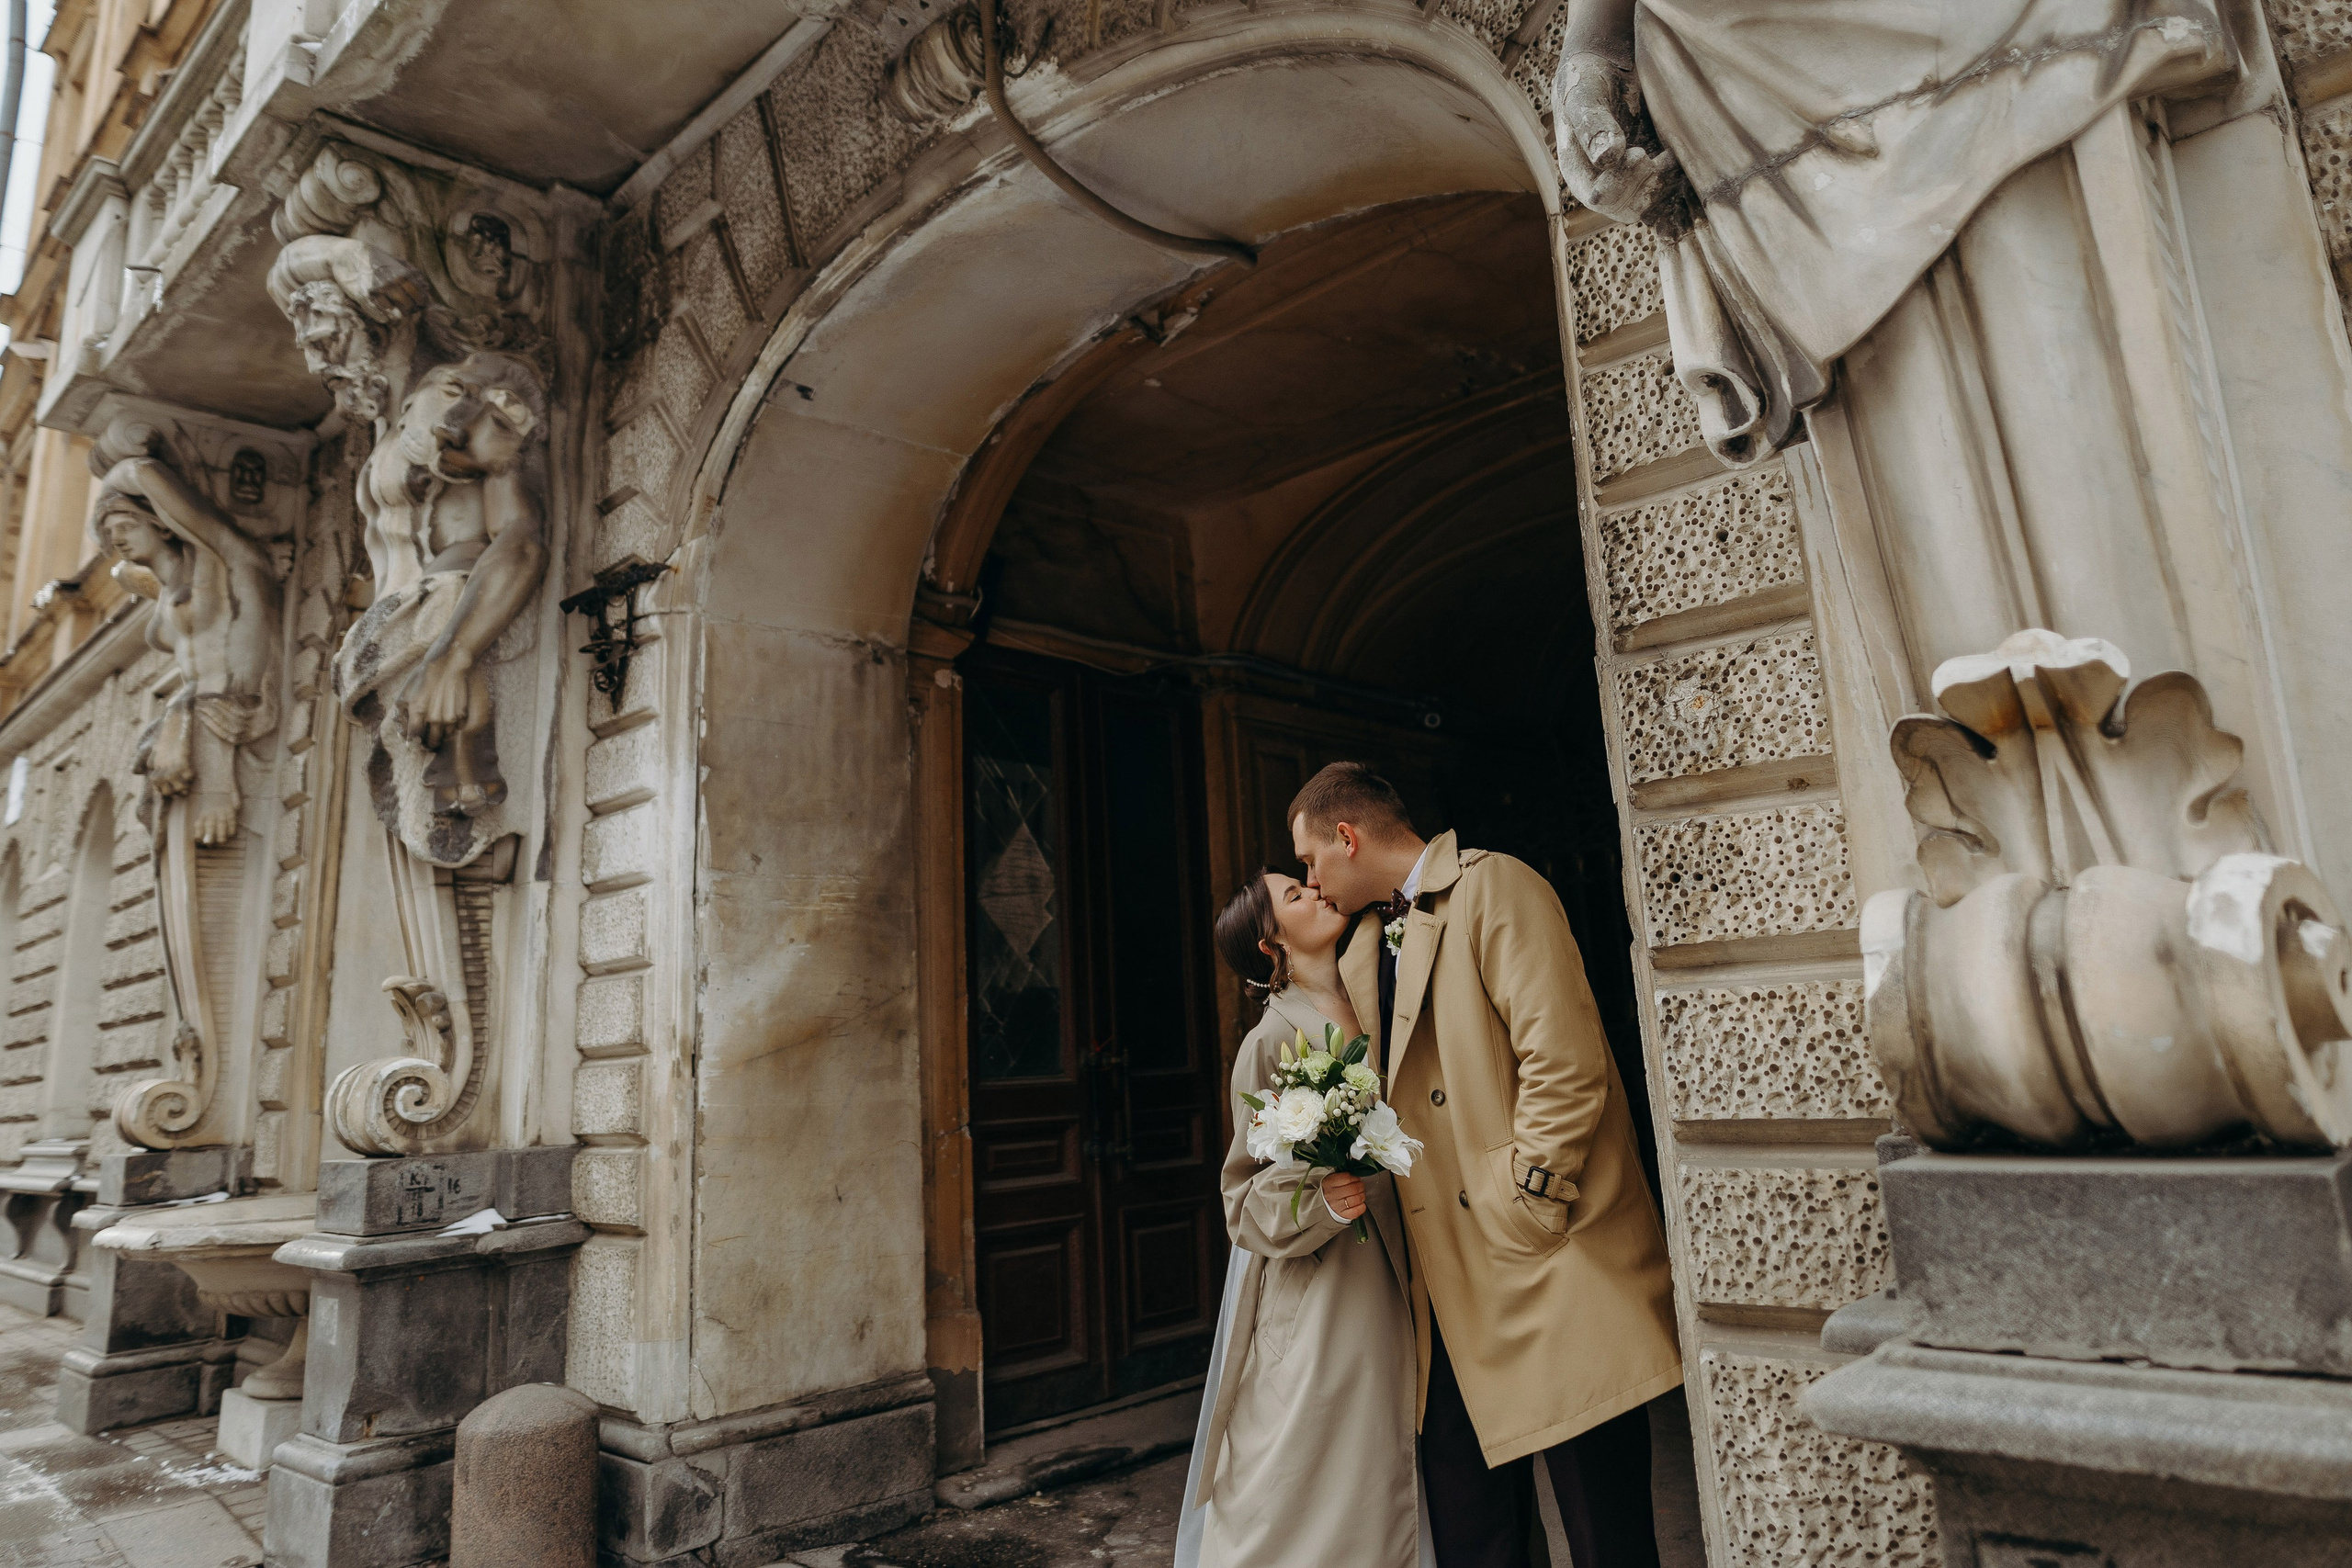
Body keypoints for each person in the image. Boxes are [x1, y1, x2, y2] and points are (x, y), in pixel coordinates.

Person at [1289, 761, 1679, 1568]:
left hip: (1549, 1265)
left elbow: (1563, 1060)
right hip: (1449, 1291)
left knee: (1609, 1536)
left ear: (1347, 837)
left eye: (1309, 861)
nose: (1310, 881)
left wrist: (1526, 1196)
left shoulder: (1497, 885)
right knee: (1475, 1535)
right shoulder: (1365, 943)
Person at [1174, 866, 1429, 1568]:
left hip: (1412, 1267)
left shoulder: (1377, 995)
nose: (1317, 891)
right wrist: (1319, 1197)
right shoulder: (1268, 1041)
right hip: (1330, 1292)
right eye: (1296, 894)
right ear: (1271, 944)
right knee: (1317, 1495)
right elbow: (1242, 1199)